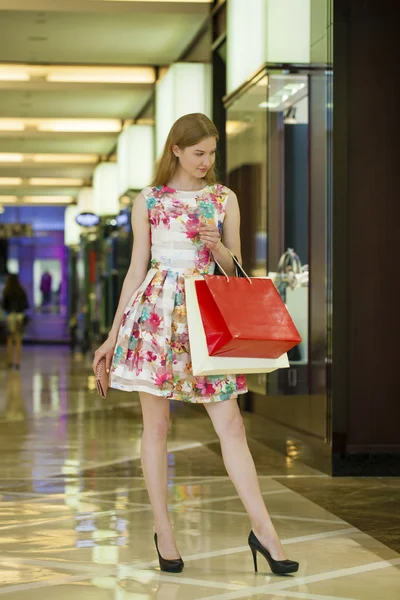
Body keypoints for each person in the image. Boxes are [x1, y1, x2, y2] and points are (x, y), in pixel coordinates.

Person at [92, 113, 299, 576]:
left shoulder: (224, 198)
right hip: (157, 318)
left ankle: (265, 532)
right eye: (199, 153)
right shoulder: (149, 199)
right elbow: (135, 268)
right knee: (157, 428)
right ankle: (164, 531)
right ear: (177, 151)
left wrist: (217, 246)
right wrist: (112, 335)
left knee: (232, 426)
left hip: (208, 315)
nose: (207, 162)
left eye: (212, 153)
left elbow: (235, 268)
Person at [1, 273, 29, 369]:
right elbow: (26, 305)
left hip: (10, 316)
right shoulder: (21, 290)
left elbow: (4, 305)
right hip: (19, 316)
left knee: (9, 339)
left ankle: (10, 361)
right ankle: (17, 362)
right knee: (18, 339)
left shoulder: (7, 290)